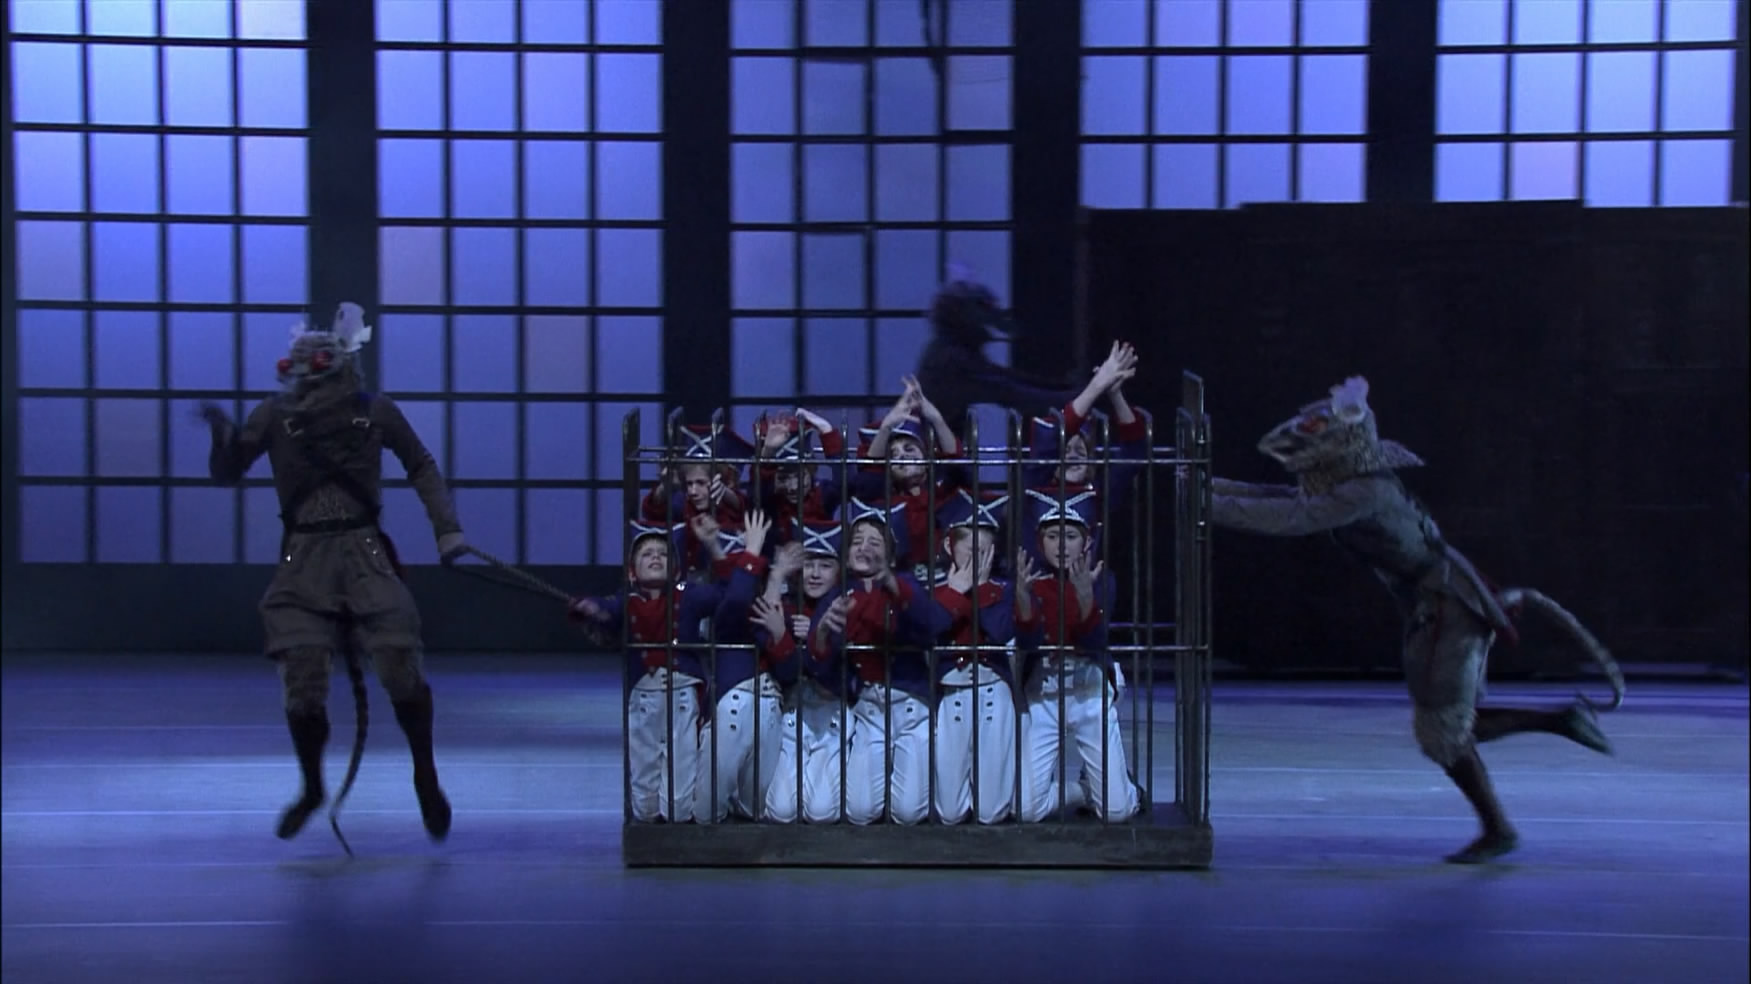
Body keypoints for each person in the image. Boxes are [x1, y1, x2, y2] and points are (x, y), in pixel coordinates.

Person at [1206, 375, 1625, 863]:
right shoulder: (1351, 484)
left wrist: (1207, 503)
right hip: (1437, 599)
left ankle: (1500, 825)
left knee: (1442, 730)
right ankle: (1555, 728)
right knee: (1446, 724)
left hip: (1446, 604)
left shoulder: (1362, 492)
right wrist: (1209, 488)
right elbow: (1287, 500)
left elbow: (1292, 518)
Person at [199, 302, 466, 843]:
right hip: (303, 557)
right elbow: (228, 473)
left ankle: (425, 772)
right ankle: (312, 785)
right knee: (301, 670)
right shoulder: (275, 415)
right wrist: (222, 436)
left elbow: (420, 464)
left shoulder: (374, 412)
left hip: (364, 551)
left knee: (397, 656)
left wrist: (448, 530)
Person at [1014, 490, 1140, 823]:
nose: (1061, 545)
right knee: (1025, 810)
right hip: (1044, 690)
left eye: (1070, 536)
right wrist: (1023, 600)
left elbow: (1094, 642)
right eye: (1052, 537)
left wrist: (1085, 596)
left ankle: (1122, 790)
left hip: (1089, 687)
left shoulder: (1102, 580)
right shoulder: (1030, 582)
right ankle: (1083, 790)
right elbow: (1028, 643)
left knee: (1116, 812)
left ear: (1086, 542)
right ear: (1040, 542)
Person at [929, 491, 1020, 825]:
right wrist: (955, 593)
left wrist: (980, 590)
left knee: (990, 812)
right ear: (949, 546)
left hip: (993, 691)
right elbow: (929, 629)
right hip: (950, 693)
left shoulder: (1005, 589)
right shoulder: (932, 588)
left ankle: (1076, 791)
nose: (977, 554)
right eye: (969, 546)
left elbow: (1001, 632)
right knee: (950, 814)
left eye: (985, 548)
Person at [913, 277, 1079, 438]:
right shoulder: (950, 359)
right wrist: (1081, 398)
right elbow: (1012, 393)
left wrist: (1067, 388)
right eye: (982, 307)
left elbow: (1008, 379)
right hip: (925, 450)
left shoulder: (950, 351)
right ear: (960, 314)